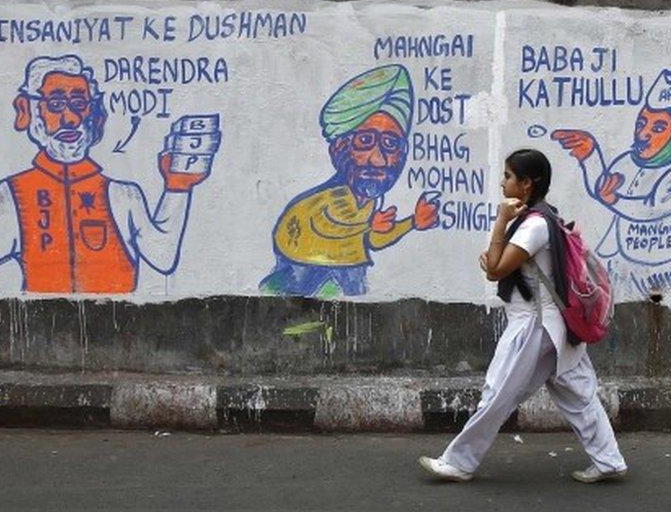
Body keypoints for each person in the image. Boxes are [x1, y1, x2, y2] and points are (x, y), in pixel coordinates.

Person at [418, 149, 627, 483]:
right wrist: (498, 257)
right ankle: (608, 460)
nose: (503, 182)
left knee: (497, 391)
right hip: (556, 325)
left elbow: (496, 268)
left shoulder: (533, 225)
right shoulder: (547, 217)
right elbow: (500, 263)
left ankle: (458, 463)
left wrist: (500, 221)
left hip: (534, 324)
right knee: (577, 391)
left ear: (527, 184)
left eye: (508, 176)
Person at [0, 54, 210, 293]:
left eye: (79, 104)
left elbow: (162, 257)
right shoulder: (8, 195)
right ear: (27, 110)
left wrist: (177, 187)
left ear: (94, 113)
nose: (70, 118)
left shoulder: (123, 195)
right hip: (42, 326)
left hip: (118, 326)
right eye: (56, 104)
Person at [260, 64, 439, 296]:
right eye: (365, 140)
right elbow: (349, 231)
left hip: (347, 278)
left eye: (390, 144)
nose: (376, 159)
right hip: (301, 280)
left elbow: (371, 240)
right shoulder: (330, 200)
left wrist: (414, 221)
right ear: (340, 148)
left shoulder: (367, 201)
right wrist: (370, 227)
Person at [552, 69, 671, 296]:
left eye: (658, 128)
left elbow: (650, 209)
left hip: (661, 268)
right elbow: (603, 188)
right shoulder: (626, 162)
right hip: (620, 264)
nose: (644, 133)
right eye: (642, 123)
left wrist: (614, 199)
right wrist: (590, 155)